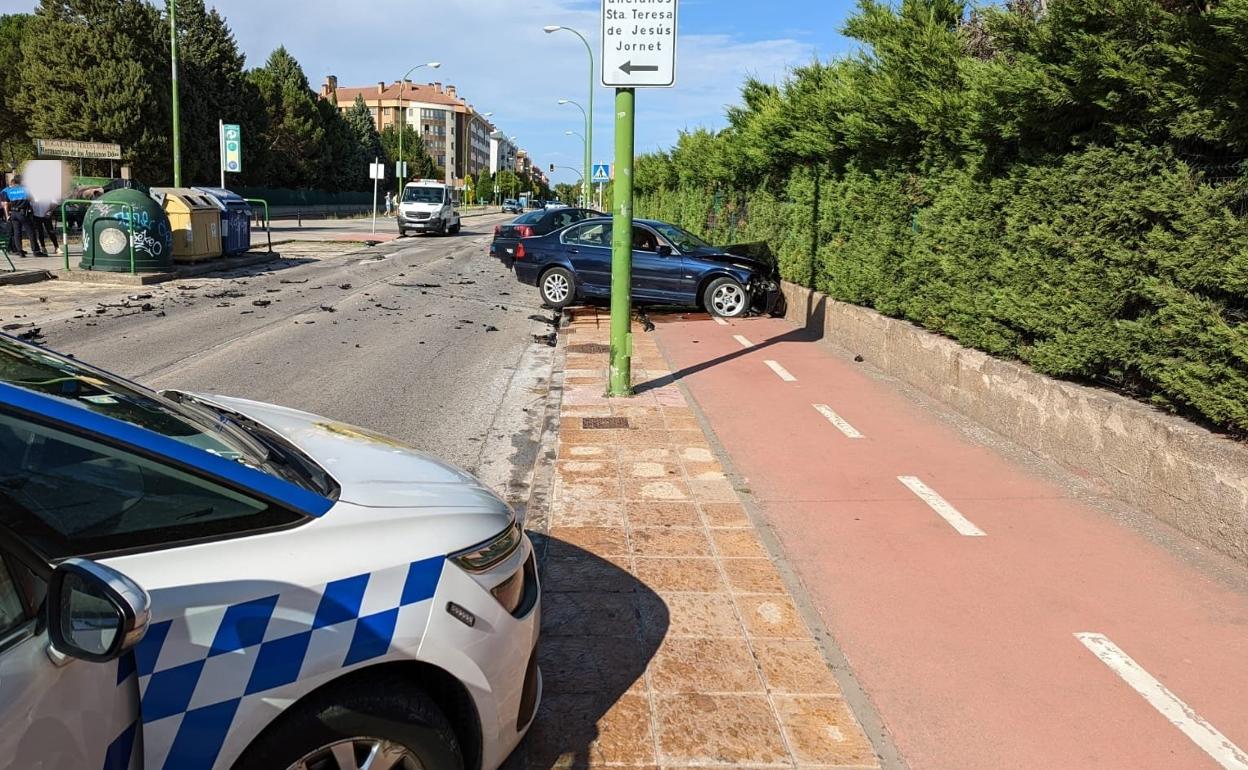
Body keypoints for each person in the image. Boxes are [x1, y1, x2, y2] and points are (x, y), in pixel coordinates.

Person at [0, 175, 40, 257]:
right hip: (24, 213)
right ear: (21, 181)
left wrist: (7, 215)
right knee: (31, 231)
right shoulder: (26, 189)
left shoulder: (8, 190)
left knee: (17, 233)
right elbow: (32, 199)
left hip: (13, 213)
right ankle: (36, 251)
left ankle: (20, 251)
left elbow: (6, 204)